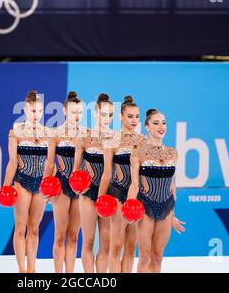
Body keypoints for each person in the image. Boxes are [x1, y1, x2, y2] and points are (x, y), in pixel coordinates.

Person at [128, 109, 186, 273]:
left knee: (158, 256)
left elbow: (171, 186)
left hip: (166, 209)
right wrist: (130, 210)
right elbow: (134, 185)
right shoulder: (138, 152)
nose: (161, 126)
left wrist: (173, 215)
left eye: (164, 123)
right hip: (145, 207)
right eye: (156, 123)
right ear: (147, 127)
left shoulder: (172, 153)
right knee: (145, 256)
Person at [2, 90, 52, 273]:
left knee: (34, 228)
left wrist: (50, 186)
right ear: (25, 109)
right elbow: (13, 162)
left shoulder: (48, 133)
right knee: (21, 226)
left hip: (40, 184)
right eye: (33, 111)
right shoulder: (16, 132)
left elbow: (50, 164)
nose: (37, 115)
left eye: (40, 111)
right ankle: (22, 270)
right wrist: (5, 187)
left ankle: (32, 269)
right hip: (22, 181)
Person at [98, 96, 147, 273]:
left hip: (137, 199)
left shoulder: (143, 141)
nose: (134, 120)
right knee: (116, 246)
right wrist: (100, 200)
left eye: (137, 116)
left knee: (131, 248)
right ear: (121, 117)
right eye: (130, 116)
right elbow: (107, 173)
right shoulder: (111, 139)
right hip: (118, 195)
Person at [44, 91, 88, 273]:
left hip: (81, 188)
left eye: (80, 112)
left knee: (74, 236)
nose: (77, 116)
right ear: (64, 111)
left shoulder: (87, 134)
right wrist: (45, 186)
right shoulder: (55, 134)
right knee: (60, 235)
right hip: (61, 186)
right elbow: (49, 163)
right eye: (73, 112)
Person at [73, 93, 115, 273]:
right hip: (88, 195)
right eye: (104, 114)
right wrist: (78, 184)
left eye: (111, 115)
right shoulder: (84, 137)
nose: (107, 119)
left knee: (106, 244)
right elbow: (75, 169)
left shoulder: (115, 137)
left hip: (108, 195)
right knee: (88, 242)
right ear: (96, 113)